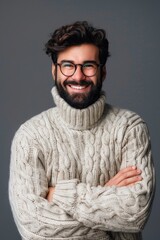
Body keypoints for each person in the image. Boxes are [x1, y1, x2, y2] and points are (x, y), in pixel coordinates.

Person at [9, 21, 155, 240]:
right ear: (54, 70)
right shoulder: (29, 136)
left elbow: (137, 211)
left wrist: (59, 195)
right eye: (68, 65)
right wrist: (107, 202)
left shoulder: (130, 128)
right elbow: (32, 226)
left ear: (102, 71)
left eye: (88, 65)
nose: (78, 76)